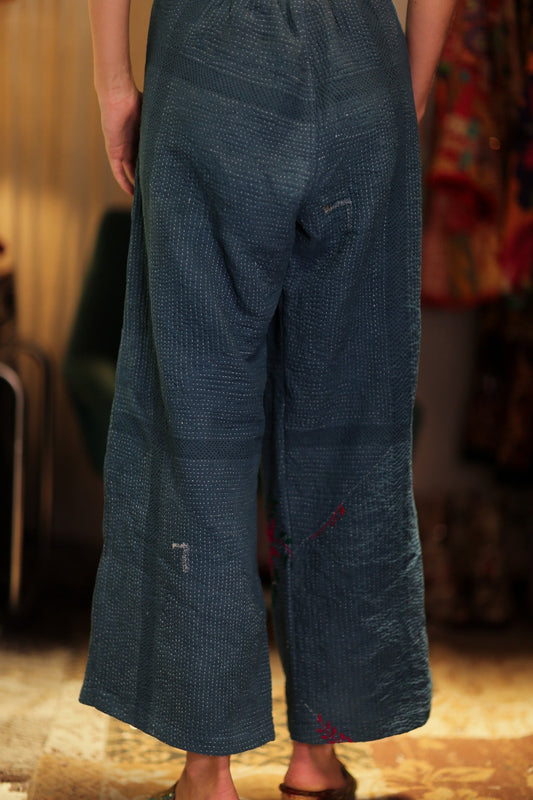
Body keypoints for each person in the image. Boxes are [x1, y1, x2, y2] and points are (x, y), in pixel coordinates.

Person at [80, 0, 458, 798]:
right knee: (348, 420)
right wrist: (408, 86)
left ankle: (206, 771)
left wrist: (115, 86)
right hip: (361, 65)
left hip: (209, 63)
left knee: (196, 416)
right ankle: (317, 759)